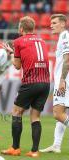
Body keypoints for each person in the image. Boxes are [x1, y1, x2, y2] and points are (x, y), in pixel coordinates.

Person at [1, 16, 50, 158]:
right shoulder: (42, 40)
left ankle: (15, 148)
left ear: (21, 28)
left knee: (16, 112)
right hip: (45, 83)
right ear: (33, 28)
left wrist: (11, 54)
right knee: (35, 117)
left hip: (31, 82)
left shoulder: (18, 41)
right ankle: (35, 151)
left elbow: (17, 66)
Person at [40, 14, 69, 154]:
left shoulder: (65, 36)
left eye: (54, 22)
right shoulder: (62, 37)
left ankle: (56, 145)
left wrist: (62, 79)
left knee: (58, 114)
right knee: (62, 112)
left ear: (63, 24)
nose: (51, 25)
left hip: (65, 80)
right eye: (51, 22)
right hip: (63, 79)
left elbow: (67, 60)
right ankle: (56, 145)